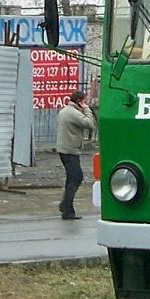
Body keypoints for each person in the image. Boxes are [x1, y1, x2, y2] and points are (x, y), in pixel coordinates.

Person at [55, 90, 95, 221]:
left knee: (72, 179)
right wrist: (87, 109)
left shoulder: (65, 110)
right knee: (76, 178)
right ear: (79, 102)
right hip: (70, 150)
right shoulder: (73, 113)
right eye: (84, 101)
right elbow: (89, 124)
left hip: (65, 149)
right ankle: (66, 207)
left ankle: (66, 207)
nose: (85, 104)